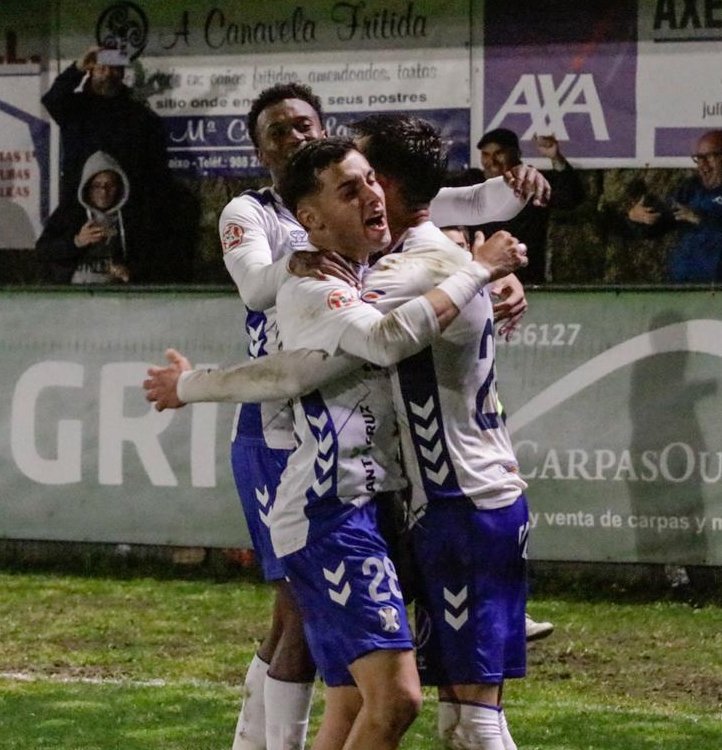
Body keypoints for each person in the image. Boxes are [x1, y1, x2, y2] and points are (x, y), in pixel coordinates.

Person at [149, 120, 536, 749]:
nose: (367, 198)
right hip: (389, 504)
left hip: (444, 502)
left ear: (386, 185)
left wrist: (487, 272)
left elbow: (314, 361)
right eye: (349, 189)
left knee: (406, 708)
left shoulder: (404, 272)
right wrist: (482, 270)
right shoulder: (388, 273)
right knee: (400, 704)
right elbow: (323, 356)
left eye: (367, 182)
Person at [42, 46, 200, 281]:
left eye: (114, 69)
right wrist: (76, 69)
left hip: (129, 214)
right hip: (80, 209)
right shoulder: (74, 108)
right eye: (101, 68)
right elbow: (52, 99)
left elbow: (156, 171)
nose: (108, 74)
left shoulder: (140, 117)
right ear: (91, 71)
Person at [626, 130, 722, 283]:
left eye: (710, 157)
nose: (702, 165)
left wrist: (700, 219)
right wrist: (637, 218)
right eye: (699, 158)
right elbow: (658, 224)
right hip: (682, 287)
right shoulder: (691, 188)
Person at [34, 150, 172, 283]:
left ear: (120, 187)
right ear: (87, 187)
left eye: (110, 185)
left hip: (117, 297)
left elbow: (154, 258)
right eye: (97, 185)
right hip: (75, 295)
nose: (103, 191)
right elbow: (43, 251)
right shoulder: (69, 213)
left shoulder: (133, 218)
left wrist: (129, 271)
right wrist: (77, 242)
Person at [475, 128, 585, 284]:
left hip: (526, 280)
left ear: (516, 155)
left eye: (499, 153)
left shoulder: (533, 182)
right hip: (481, 279)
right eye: (485, 154)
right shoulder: (471, 182)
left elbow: (571, 198)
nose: (491, 161)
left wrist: (555, 157)